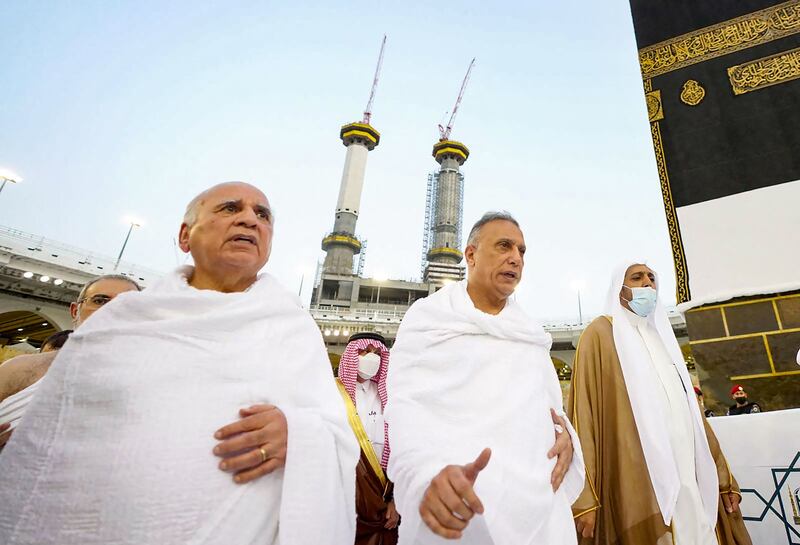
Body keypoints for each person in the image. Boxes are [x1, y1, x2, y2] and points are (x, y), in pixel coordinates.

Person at [0, 182, 359, 545]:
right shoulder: (123, 320)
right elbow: (59, 436)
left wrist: (298, 434)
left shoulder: (293, 328)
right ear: (185, 236)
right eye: (230, 208)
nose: (250, 220)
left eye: (262, 214)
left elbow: (338, 433)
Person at [385, 211, 584, 545]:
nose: (516, 258)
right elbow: (408, 414)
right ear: (471, 254)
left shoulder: (529, 334)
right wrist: (424, 476)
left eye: (522, 251)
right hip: (457, 501)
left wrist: (567, 440)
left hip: (541, 510)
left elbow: (551, 410)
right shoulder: (429, 321)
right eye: (504, 246)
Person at [568, 262, 751, 545]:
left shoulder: (661, 339)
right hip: (640, 478)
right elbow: (584, 416)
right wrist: (584, 497)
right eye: (637, 277)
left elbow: (694, 417)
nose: (647, 284)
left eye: (652, 278)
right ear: (620, 287)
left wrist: (723, 477)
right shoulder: (601, 334)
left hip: (688, 471)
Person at [0, 275, 140, 451]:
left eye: (126, 304)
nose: (112, 310)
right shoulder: (21, 369)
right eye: (100, 301)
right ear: (75, 311)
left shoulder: (147, 386)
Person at [337, 332, 399, 545]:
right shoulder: (333, 392)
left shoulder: (390, 395)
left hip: (382, 496)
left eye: (376, 353)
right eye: (365, 351)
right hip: (342, 495)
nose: (371, 357)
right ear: (352, 355)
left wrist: (395, 500)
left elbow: (400, 450)